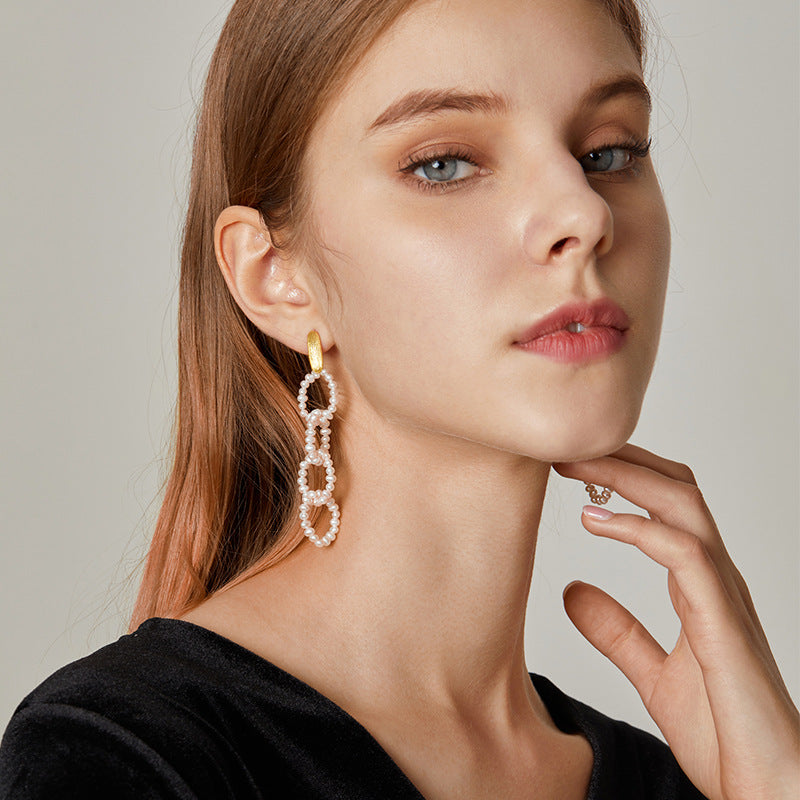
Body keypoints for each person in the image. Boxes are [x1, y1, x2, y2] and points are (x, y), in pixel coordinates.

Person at [1, 0, 797, 797]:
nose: (584, 214)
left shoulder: (699, 778)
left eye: (609, 151)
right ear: (277, 278)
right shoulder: (125, 759)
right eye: (444, 163)